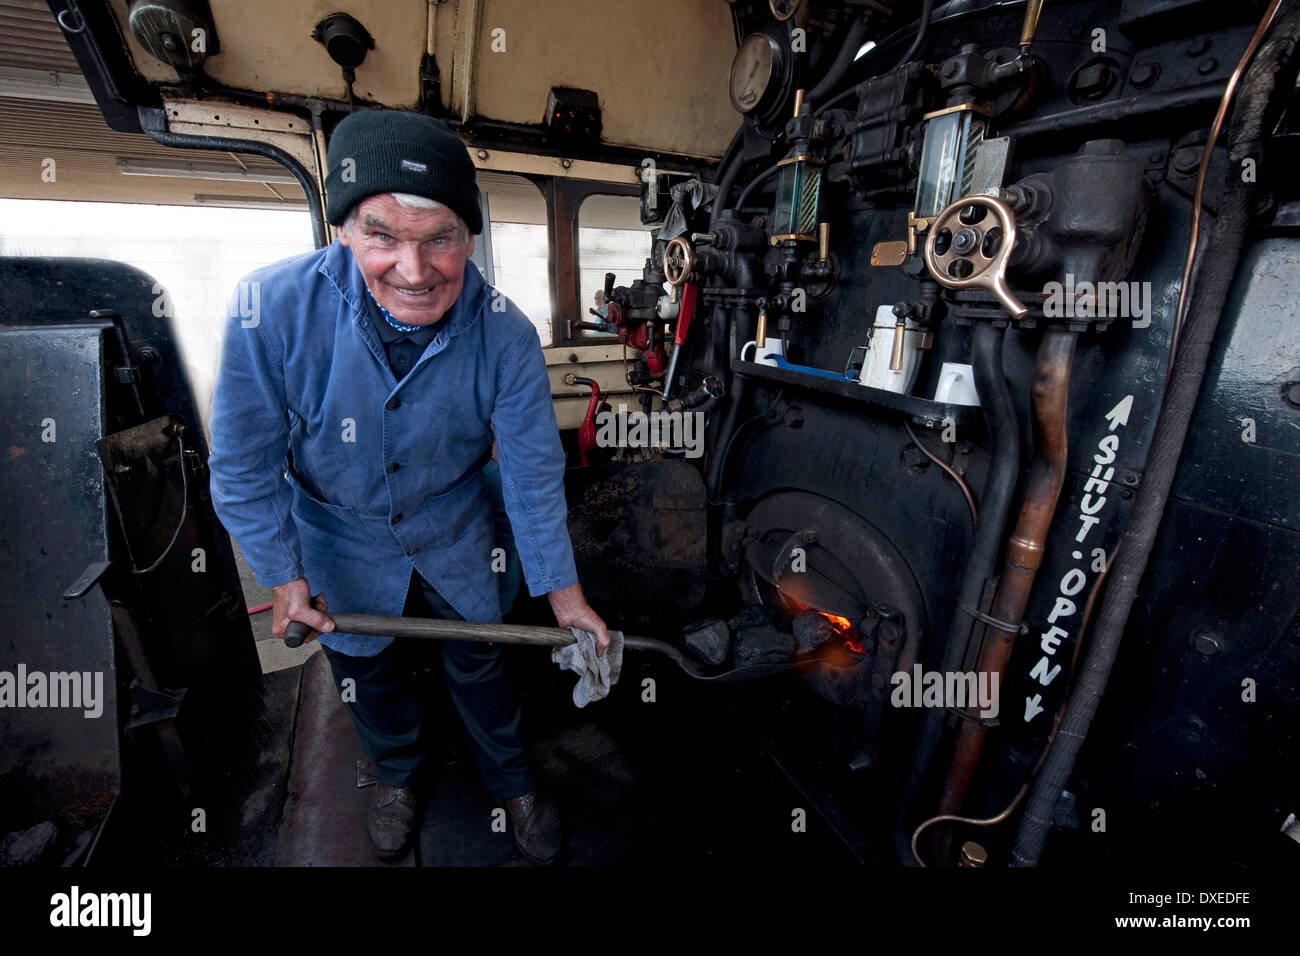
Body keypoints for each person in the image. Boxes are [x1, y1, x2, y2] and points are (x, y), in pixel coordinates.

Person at [208, 109, 609, 864]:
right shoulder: (270, 312)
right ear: (341, 232)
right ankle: (395, 776)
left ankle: (513, 780)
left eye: (440, 239)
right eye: (383, 236)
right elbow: (242, 464)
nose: (416, 270)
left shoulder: (506, 334)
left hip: (453, 526)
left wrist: (564, 597)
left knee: (483, 660)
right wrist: (284, 576)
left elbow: (530, 471)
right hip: (338, 536)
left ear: (469, 237)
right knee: (365, 670)